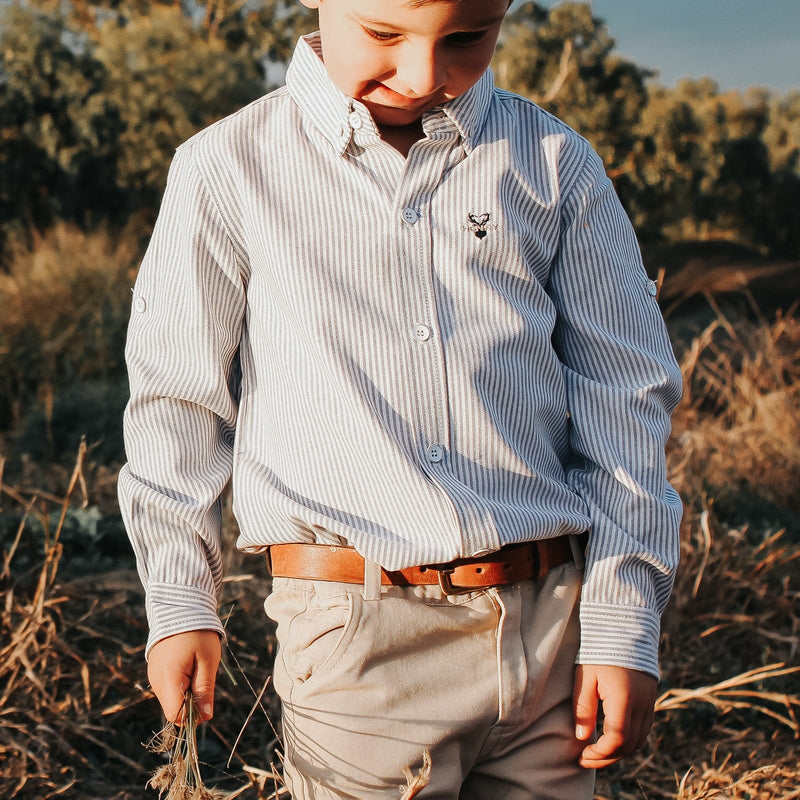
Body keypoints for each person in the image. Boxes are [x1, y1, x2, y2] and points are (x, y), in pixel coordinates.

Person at [118, 0, 683, 796]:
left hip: (553, 628)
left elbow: (625, 392)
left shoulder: (554, 161)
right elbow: (178, 401)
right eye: (385, 35)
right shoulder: (227, 165)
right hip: (356, 645)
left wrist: (624, 620)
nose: (424, 76)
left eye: (467, 38)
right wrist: (182, 598)